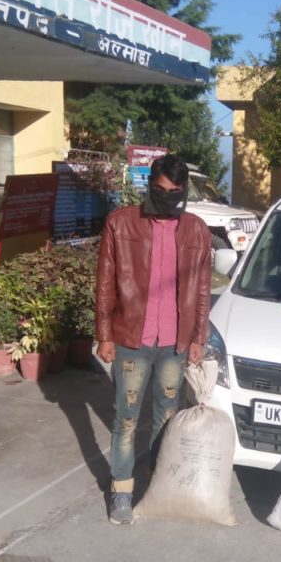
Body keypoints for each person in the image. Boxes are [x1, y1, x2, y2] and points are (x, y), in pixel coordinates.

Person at [95, 154, 212, 524]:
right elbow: (105, 283)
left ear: (184, 190)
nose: (167, 198)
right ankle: (122, 490)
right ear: (150, 186)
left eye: (175, 192)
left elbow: (203, 288)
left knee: (167, 417)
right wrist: (104, 334)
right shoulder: (120, 223)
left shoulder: (196, 230)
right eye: (161, 190)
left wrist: (198, 337)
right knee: (126, 419)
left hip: (175, 343)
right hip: (131, 338)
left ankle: (157, 484)